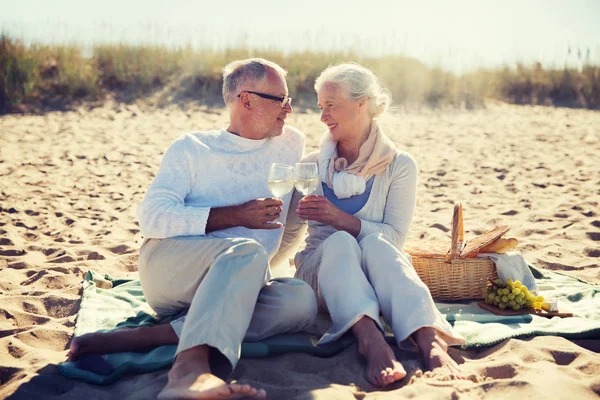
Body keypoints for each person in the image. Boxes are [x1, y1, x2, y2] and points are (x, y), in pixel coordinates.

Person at [68, 58, 318, 400]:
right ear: (246, 100)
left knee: (301, 301)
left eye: (290, 100)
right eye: (281, 100)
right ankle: (189, 371)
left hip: (239, 278)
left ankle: (147, 337)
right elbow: (152, 216)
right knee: (246, 250)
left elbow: (287, 220)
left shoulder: (291, 143)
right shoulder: (192, 148)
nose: (288, 109)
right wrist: (234, 216)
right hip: (170, 270)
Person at [293, 63, 466, 387]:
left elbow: (395, 238)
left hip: (376, 270)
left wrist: (339, 218)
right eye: (321, 107)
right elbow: (287, 231)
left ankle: (429, 339)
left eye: (332, 105)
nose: (323, 116)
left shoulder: (399, 166)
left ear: (363, 104)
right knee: (341, 243)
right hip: (319, 272)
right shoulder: (310, 165)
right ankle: (370, 339)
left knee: (376, 243)